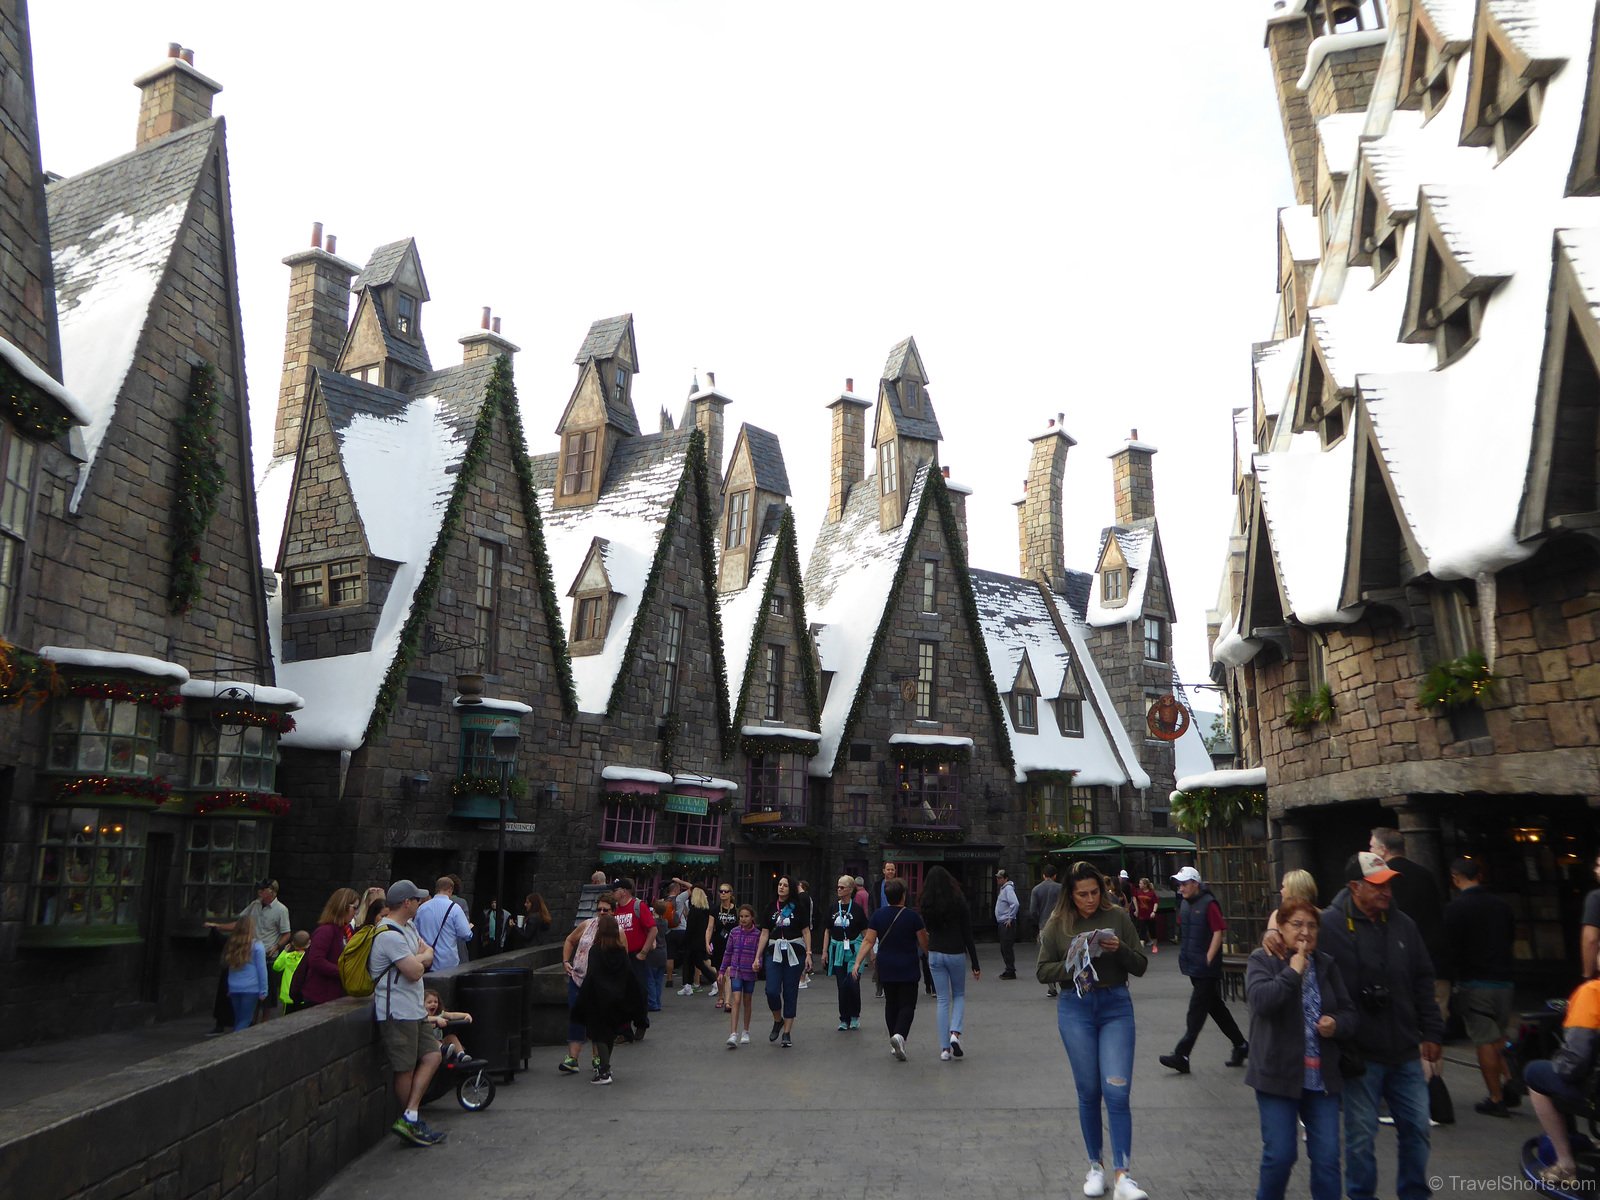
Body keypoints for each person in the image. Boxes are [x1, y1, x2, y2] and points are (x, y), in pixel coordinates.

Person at [1319, 852, 1444, 1200]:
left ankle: (1414, 1193)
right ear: (1354, 887)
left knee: (1417, 1128)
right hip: (1360, 1053)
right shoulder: (1330, 926)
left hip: (1405, 1049)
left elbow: (1423, 980)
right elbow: (1296, 941)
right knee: (1360, 1137)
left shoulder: (1404, 925)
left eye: (1388, 884)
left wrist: (1432, 1032)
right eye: (1377, 885)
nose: (1386, 891)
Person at [1037, 860, 1150, 1200]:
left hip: (1115, 1005)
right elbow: (1042, 971)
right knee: (1088, 1090)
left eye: (1094, 892)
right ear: (1070, 895)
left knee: (1117, 1091)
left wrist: (1120, 949)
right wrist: (1074, 962)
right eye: (1082, 894)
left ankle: (1123, 1174)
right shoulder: (1058, 923)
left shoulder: (1117, 916)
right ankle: (1095, 1167)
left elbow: (1141, 965)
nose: (1089, 900)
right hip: (1076, 1008)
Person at [1245, 896, 1358, 1200]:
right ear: (1280, 927)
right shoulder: (1262, 960)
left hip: (1322, 1079)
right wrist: (1292, 973)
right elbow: (1261, 1002)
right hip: (1277, 1075)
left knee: (1327, 1159)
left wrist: (1336, 1023)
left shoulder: (1327, 964)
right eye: (1296, 924)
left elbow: (1349, 1012)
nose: (1305, 932)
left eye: (1311, 926)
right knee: (1280, 1156)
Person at [369, 879, 446, 1147]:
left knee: (433, 1055)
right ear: (406, 903)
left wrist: (420, 959)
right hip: (396, 1011)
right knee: (405, 1068)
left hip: (414, 1008)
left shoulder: (409, 927)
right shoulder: (388, 934)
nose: (420, 902)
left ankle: (410, 1114)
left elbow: (429, 954)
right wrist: (420, 960)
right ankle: (410, 1121)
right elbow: (414, 971)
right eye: (416, 899)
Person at [1441, 856, 1519, 1117]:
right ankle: (1511, 1081)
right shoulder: (1501, 905)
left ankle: (1496, 1097)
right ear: (1480, 875)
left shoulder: (1455, 909)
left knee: (1484, 1039)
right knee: (1499, 1035)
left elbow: (1450, 947)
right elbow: (1510, 937)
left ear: (1455, 878)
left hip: (1475, 980)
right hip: (1504, 979)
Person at [1159, 865, 1249, 1074]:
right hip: (1194, 965)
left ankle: (1182, 1054)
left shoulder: (1208, 904)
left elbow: (1218, 931)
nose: (1180, 888)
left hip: (1205, 968)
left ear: (1195, 884)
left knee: (1197, 1011)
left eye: (1184, 884)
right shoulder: (1186, 904)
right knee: (1216, 1008)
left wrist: (1209, 957)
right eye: (1179, 884)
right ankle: (1241, 1044)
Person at [1524, 976, 1600, 1190]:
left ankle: (1565, 1164)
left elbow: (1573, 1064)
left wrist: (1557, 1060)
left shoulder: (1592, 993)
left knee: (1535, 1073)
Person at [853, 878, 928, 1062]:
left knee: (891, 1003)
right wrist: (931, 957)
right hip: (908, 964)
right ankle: (900, 1035)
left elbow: (868, 940)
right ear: (903, 895)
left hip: (886, 964)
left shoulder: (878, 915)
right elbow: (923, 942)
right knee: (908, 1004)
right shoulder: (913, 917)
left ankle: (894, 1039)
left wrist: (857, 962)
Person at [571, 913, 647, 1085]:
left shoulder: (596, 951)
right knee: (610, 1034)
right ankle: (605, 1066)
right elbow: (628, 975)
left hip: (599, 999)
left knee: (599, 1035)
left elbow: (592, 975)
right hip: (618, 999)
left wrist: (583, 999)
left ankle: (604, 1071)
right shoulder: (621, 952)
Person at [208, 879, 291, 1024]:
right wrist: (218, 926)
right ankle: (251, 1019)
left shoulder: (281, 910)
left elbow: (286, 933)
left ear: (272, 891)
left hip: (268, 953)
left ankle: (264, 1021)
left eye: (263, 890)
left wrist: (276, 946)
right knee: (252, 987)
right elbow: (241, 923)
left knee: (268, 990)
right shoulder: (254, 905)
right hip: (251, 950)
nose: (260, 892)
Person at [919, 865, 980, 1061]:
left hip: (935, 952)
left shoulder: (926, 902)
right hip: (955, 951)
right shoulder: (958, 901)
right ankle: (955, 1032)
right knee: (959, 995)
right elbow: (967, 933)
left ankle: (945, 1048)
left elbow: (927, 929)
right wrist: (975, 963)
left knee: (942, 1000)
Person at [558, 890, 614, 1074]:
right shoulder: (586, 925)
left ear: (613, 911)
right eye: (600, 909)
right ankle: (572, 1059)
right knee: (576, 1017)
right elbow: (569, 940)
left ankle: (597, 1057)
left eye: (606, 910)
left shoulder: (616, 931)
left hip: (600, 984)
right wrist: (566, 961)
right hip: (578, 979)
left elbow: (622, 957)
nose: (602, 912)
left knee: (597, 1020)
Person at [755, 875, 812, 1047]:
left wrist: (809, 953)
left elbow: (806, 931)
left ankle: (787, 1032)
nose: (781, 887)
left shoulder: (798, 907)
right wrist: (757, 956)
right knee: (771, 990)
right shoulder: (770, 907)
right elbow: (764, 933)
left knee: (790, 991)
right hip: (774, 951)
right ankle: (777, 1020)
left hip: (795, 952)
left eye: (785, 885)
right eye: (780, 884)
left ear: (791, 888)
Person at [610, 878, 657, 1040]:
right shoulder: (614, 909)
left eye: (615, 891)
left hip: (636, 955)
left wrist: (643, 952)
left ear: (623, 891)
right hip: (620, 956)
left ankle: (641, 1022)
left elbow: (653, 929)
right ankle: (624, 1029)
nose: (613, 894)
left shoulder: (638, 906)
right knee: (620, 992)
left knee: (639, 991)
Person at [823, 874, 869, 1031]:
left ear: (850, 889)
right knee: (842, 986)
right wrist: (824, 952)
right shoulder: (832, 908)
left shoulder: (857, 909)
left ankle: (855, 1016)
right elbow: (827, 931)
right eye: (838, 887)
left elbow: (865, 932)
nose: (839, 889)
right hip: (837, 951)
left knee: (852, 984)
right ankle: (844, 1018)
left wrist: (871, 953)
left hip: (854, 951)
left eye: (842, 887)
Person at [303, 888, 359, 1007]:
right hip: (320, 996)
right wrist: (343, 972)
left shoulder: (345, 931)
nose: (356, 912)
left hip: (336, 994)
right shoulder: (326, 931)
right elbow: (316, 960)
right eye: (354, 908)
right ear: (343, 906)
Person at [720, 904, 762, 1047]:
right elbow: (728, 952)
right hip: (736, 970)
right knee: (736, 999)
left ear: (752, 917)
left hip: (749, 972)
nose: (743, 919)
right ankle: (733, 1033)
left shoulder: (757, 934)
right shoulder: (734, 932)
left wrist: (758, 964)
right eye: (741, 917)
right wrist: (722, 970)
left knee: (747, 1000)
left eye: (746, 916)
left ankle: (746, 1030)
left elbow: (759, 954)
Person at [415, 876, 473, 972]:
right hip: (448, 963)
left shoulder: (422, 908)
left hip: (426, 962)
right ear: (450, 889)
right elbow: (466, 934)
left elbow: (415, 933)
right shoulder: (455, 908)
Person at [223, 915, 268, 1032]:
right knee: (246, 1019)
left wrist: (229, 987)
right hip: (251, 987)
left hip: (234, 986)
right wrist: (264, 990)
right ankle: (234, 1040)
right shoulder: (257, 946)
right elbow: (262, 969)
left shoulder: (232, 944)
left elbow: (230, 968)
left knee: (238, 1018)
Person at [1030, 862, 1064, 996]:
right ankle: (1064, 983)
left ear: (1044, 875)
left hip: (1044, 925)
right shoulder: (1061, 888)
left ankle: (1051, 987)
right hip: (1061, 925)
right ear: (1055, 876)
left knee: (1046, 957)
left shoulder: (1036, 890)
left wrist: (1038, 922)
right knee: (1062, 955)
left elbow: (1033, 911)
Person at [707, 883, 740, 1011]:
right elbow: (710, 927)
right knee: (719, 971)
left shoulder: (736, 910)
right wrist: (707, 942)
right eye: (721, 891)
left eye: (726, 891)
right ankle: (720, 996)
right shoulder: (715, 910)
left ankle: (727, 1001)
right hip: (718, 943)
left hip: (733, 944)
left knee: (728, 971)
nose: (723, 893)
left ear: (731, 893)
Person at [422, 989, 477, 1065]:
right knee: (431, 1039)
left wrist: (465, 1015)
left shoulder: (439, 1014)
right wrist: (436, 1019)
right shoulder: (420, 1016)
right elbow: (424, 1019)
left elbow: (452, 1015)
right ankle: (443, 1049)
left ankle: (461, 1054)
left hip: (440, 1041)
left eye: (435, 1002)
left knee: (451, 1037)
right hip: (427, 1045)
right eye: (429, 1002)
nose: (433, 1004)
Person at [680, 886, 716, 995]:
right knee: (696, 963)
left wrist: (685, 940)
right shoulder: (706, 910)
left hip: (692, 941)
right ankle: (688, 985)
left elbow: (690, 928)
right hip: (702, 940)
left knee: (690, 963)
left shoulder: (694, 910)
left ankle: (688, 985)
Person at [273, 930, 310, 1013]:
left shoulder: (287, 957)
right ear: (309, 943)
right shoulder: (308, 958)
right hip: (302, 995)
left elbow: (276, 966)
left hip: (288, 996)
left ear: (293, 943)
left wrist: (284, 952)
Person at [995, 868, 1020, 979]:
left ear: (1006, 878)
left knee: (1006, 947)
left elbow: (1015, 903)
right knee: (1004, 947)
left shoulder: (1008, 889)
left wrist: (1010, 917)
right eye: (997, 878)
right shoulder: (1004, 889)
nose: (998, 879)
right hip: (1003, 921)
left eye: (1000, 878)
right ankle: (1009, 968)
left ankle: (1010, 970)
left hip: (1006, 922)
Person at [1580, 853, 1600, 980]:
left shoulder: (1596, 898)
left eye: (1599, 866)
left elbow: (1591, 939)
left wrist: (1588, 975)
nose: (1595, 870)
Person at [1131, 877, 1158, 953]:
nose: (1139, 885)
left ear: (1145, 885)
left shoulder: (1151, 893)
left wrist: (1154, 911)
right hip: (1141, 915)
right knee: (1142, 931)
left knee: (1152, 931)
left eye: (1141, 883)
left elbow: (1155, 902)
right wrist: (1136, 910)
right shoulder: (1138, 892)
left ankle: (1154, 946)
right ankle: (1141, 948)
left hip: (1150, 915)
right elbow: (1134, 899)